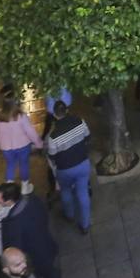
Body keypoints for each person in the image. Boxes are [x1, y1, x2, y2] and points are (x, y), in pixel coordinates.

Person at [0, 181, 73, 278]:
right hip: (45, 242)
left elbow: (13, 247)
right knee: (50, 270)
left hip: (36, 255)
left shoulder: (12, 223)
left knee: (49, 272)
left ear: (8, 200)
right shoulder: (32, 200)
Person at [44, 100, 91, 234]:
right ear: (67, 110)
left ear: (55, 114)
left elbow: (52, 156)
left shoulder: (52, 136)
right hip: (82, 164)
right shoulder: (80, 121)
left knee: (65, 191)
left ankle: (69, 215)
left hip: (65, 169)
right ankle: (85, 224)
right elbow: (88, 137)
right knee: (83, 192)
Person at [0, 100, 41, 189]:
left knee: (10, 164)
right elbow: (30, 132)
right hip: (23, 146)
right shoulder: (21, 116)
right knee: (24, 164)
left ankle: (9, 187)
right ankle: (25, 187)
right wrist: (38, 144)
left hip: (6, 148)